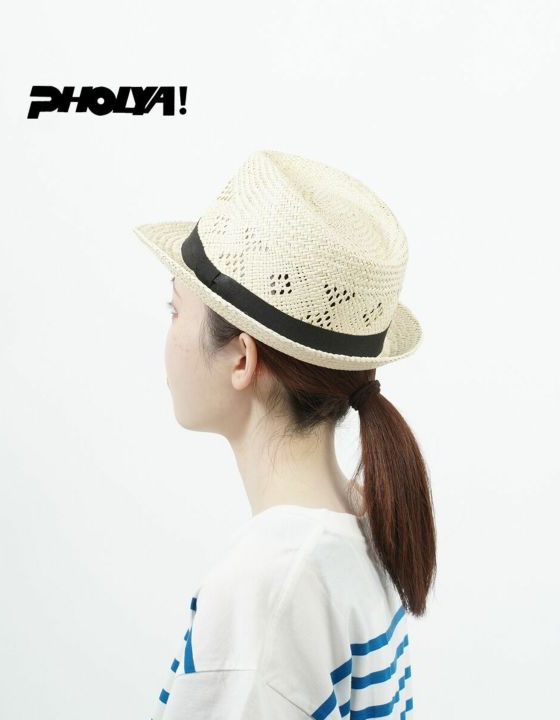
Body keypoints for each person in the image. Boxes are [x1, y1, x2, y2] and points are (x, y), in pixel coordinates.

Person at [134, 149, 436, 719]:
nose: (167, 334)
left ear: (242, 358)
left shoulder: (267, 590)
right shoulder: (364, 521)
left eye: (174, 310)